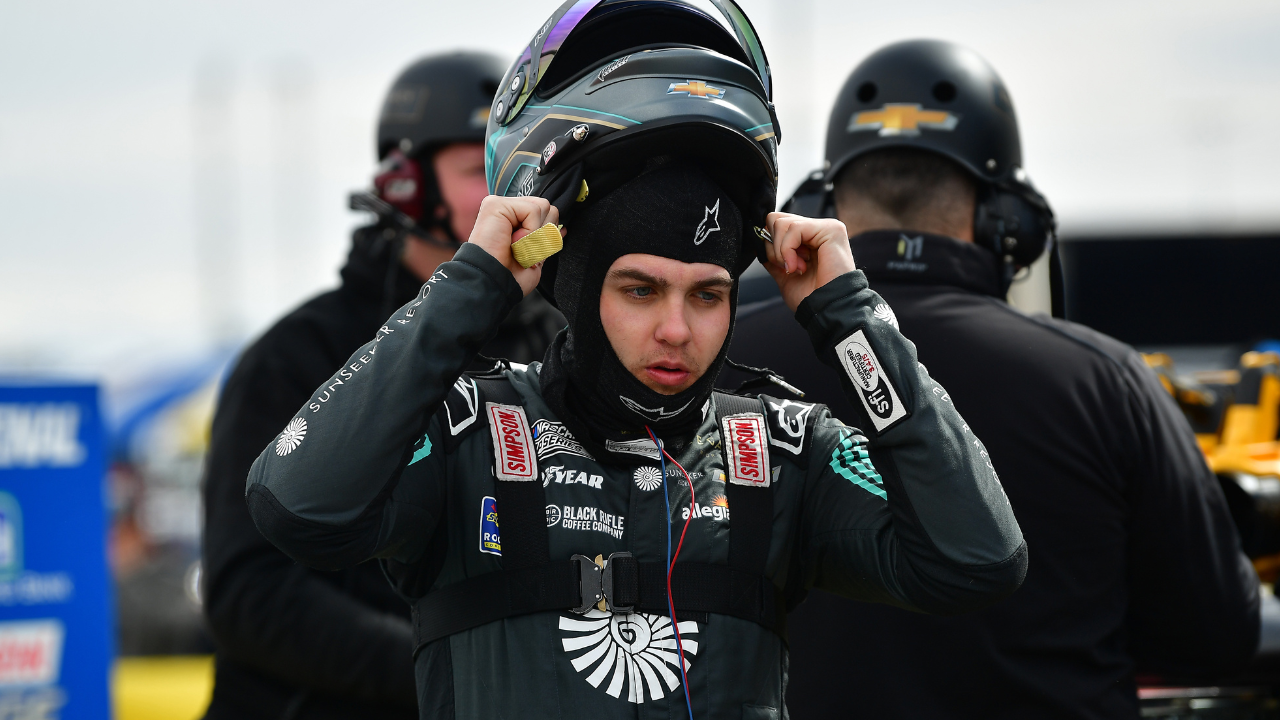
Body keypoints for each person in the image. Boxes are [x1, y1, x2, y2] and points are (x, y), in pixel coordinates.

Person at [243, 4, 1027, 718]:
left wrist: (852, 318)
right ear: (576, 286)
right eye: (641, 290)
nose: (677, 330)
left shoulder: (784, 447)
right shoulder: (469, 430)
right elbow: (299, 505)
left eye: (709, 295)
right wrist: (469, 289)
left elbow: (979, 559)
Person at [722, 39, 1261, 719]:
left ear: (817, 201)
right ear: (1011, 221)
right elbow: (1218, 638)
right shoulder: (1106, 382)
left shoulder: (714, 363)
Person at [201, 51, 564, 719]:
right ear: (404, 185)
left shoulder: (554, 350)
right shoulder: (291, 358)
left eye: (514, 168)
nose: (505, 191)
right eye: (474, 170)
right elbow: (247, 593)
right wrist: (451, 673)